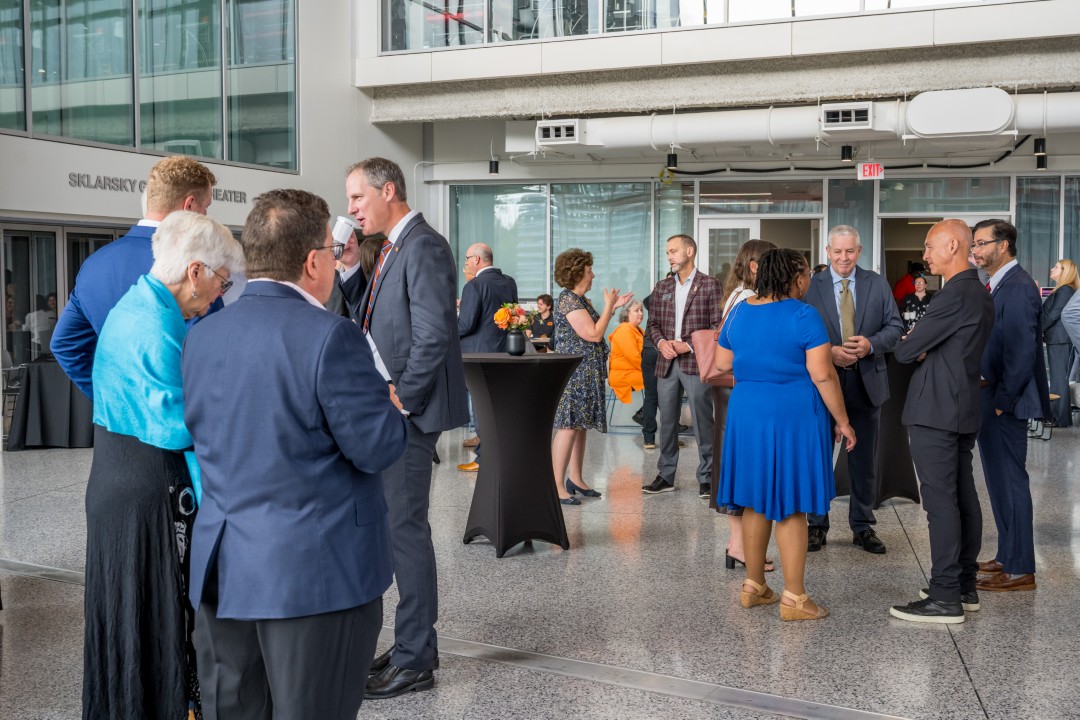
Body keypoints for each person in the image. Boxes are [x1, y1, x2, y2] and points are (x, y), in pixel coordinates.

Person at [182, 190, 406, 720]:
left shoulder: (203, 334)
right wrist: (389, 408)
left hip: (224, 570)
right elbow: (376, 447)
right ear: (313, 262)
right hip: (313, 576)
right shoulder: (332, 337)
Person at [83, 211, 241, 719]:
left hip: (123, 478)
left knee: (137, 621)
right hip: (143, 490)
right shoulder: (154, 324)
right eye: (221, 280)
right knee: (152, 619)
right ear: (195, 271)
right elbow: (179, 424)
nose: (219, 294)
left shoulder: (143, 304)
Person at [343, 157, 468, 699]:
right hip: (398, 408)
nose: (350, 210)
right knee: (400, 530)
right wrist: (350, 270)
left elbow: (435, 332)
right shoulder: (392, 247)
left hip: (409, 415)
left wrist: (404, 398)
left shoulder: (423, 245)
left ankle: (416, 659)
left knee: (406, 532)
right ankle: (414, 642)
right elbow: (373, 318)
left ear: (387, 189)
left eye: (356, 199)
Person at [715, 248, 855, 622]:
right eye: (807, 273)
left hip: (747, 412)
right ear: (795, 278)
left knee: (755, 500)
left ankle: (754, 585)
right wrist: (842, 420)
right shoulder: (803, 314)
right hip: (792, 414)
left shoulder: (741, 311)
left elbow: (721, 363)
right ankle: (794, 598)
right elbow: (823, 375)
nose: (809, 279)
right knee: (791, 503)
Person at [890, 219, 994, 624]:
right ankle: (962, 586)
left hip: (937, 409)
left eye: (930, 247)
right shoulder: (977, 291)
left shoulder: (955, 294)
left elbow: (906, 349)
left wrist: (916, 345)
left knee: (941, 503)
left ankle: (946, 596)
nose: (925, 255)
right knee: (962, 496)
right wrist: (920, 345)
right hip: (961, 405)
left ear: (953, 246)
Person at [51, 155, 219, 399]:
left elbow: (64, 344)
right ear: (190, 205)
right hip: (179, 426)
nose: (206, 215)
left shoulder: (94, 264)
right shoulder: (195, 269)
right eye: (206, 207)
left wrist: (110, 397)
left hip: (115, 426)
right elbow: (210, 357)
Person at [802, 225, 904, 554]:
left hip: (866, 381)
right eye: (837, 251)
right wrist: (827, 350)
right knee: (818, 455)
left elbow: (895, 327)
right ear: (827, 252)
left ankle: (862, 525)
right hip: (821, 383)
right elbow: (798, 332)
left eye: (849, 251)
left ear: (859, 251)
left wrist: (871, 344)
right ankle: (817, 524)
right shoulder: (810, 286)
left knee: (863, 459)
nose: (843, 258)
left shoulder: (876, 283)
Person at [971, 219, 1050, 593]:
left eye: (981, 243)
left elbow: (1021, 351)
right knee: (999, 484)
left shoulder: (1017, 287)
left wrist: (1003, 402)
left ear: (1003, 246)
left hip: (1006, 401)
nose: (975, 250)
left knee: (1011, 482)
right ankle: (1007, 554)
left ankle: (1020, 568)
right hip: (992, 396)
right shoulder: (999, 284)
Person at [710, 239, 776, 573]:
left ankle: (738, 544)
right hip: (739, 391)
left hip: (732, 392)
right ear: (755, 266)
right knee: (741, 467)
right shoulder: (749, 299)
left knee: (735, 465)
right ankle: (738, 545)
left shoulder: (736, 294)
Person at [642, 235, 723, 499]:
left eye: (673, 251)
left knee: (703, 422)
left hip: (694, 362)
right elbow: (652, 324)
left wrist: (686, 345)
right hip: (666, 362)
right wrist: (662, 342)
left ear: (690, 251)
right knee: (667, 422)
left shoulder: (710, 285)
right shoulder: (663, 286)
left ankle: (708, 478)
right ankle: (665, 475)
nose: (669, 257)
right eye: (667, 253)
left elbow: (716, 326)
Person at [552, 248, 632, 505]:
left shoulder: (582, 301)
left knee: (580, 426)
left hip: (586, 371)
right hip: (574, 373)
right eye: (589, 271)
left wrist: (612, 306)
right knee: (568, 426)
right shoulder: (568, 301)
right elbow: (594, 334)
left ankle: (575, 479)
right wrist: (610, 306)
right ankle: (555, 485)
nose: (594, 275)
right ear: (577, 273)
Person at [456, 242, 518, 472]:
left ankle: (484, 459)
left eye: (466, 259)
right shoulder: (509, 282)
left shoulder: (474, 286)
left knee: (481, 408)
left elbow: (465, 325)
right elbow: (508, 315)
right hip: (504, 351)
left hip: (478, 356)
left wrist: (449, 319)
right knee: (498, 407)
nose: (465, 264)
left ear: (477, 261)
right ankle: (501, 454)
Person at [1041, 259, 1078, 427]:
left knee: (1058, 379)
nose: (1052, 268)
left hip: (1060, 340)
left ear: (1065, 271)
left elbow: (1054, 314)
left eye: (1056, 267)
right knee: (1058, 378)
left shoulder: (1065, 290)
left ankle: (1059, 418)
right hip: (1058, 339)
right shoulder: (1063, 290)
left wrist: (1039, 328)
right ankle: (1058, 416)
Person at [607, 300, 645, 407]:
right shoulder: (625, 330)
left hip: (633, 370)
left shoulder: (637, 330)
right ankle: (644, 414)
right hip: (623, 375)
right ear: (627, 313)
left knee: (663, 377)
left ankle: (645, 413)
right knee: (660, 378)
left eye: (641, 310)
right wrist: (651, 369)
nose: (641, 313)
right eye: (636, 310)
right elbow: (634, 358)